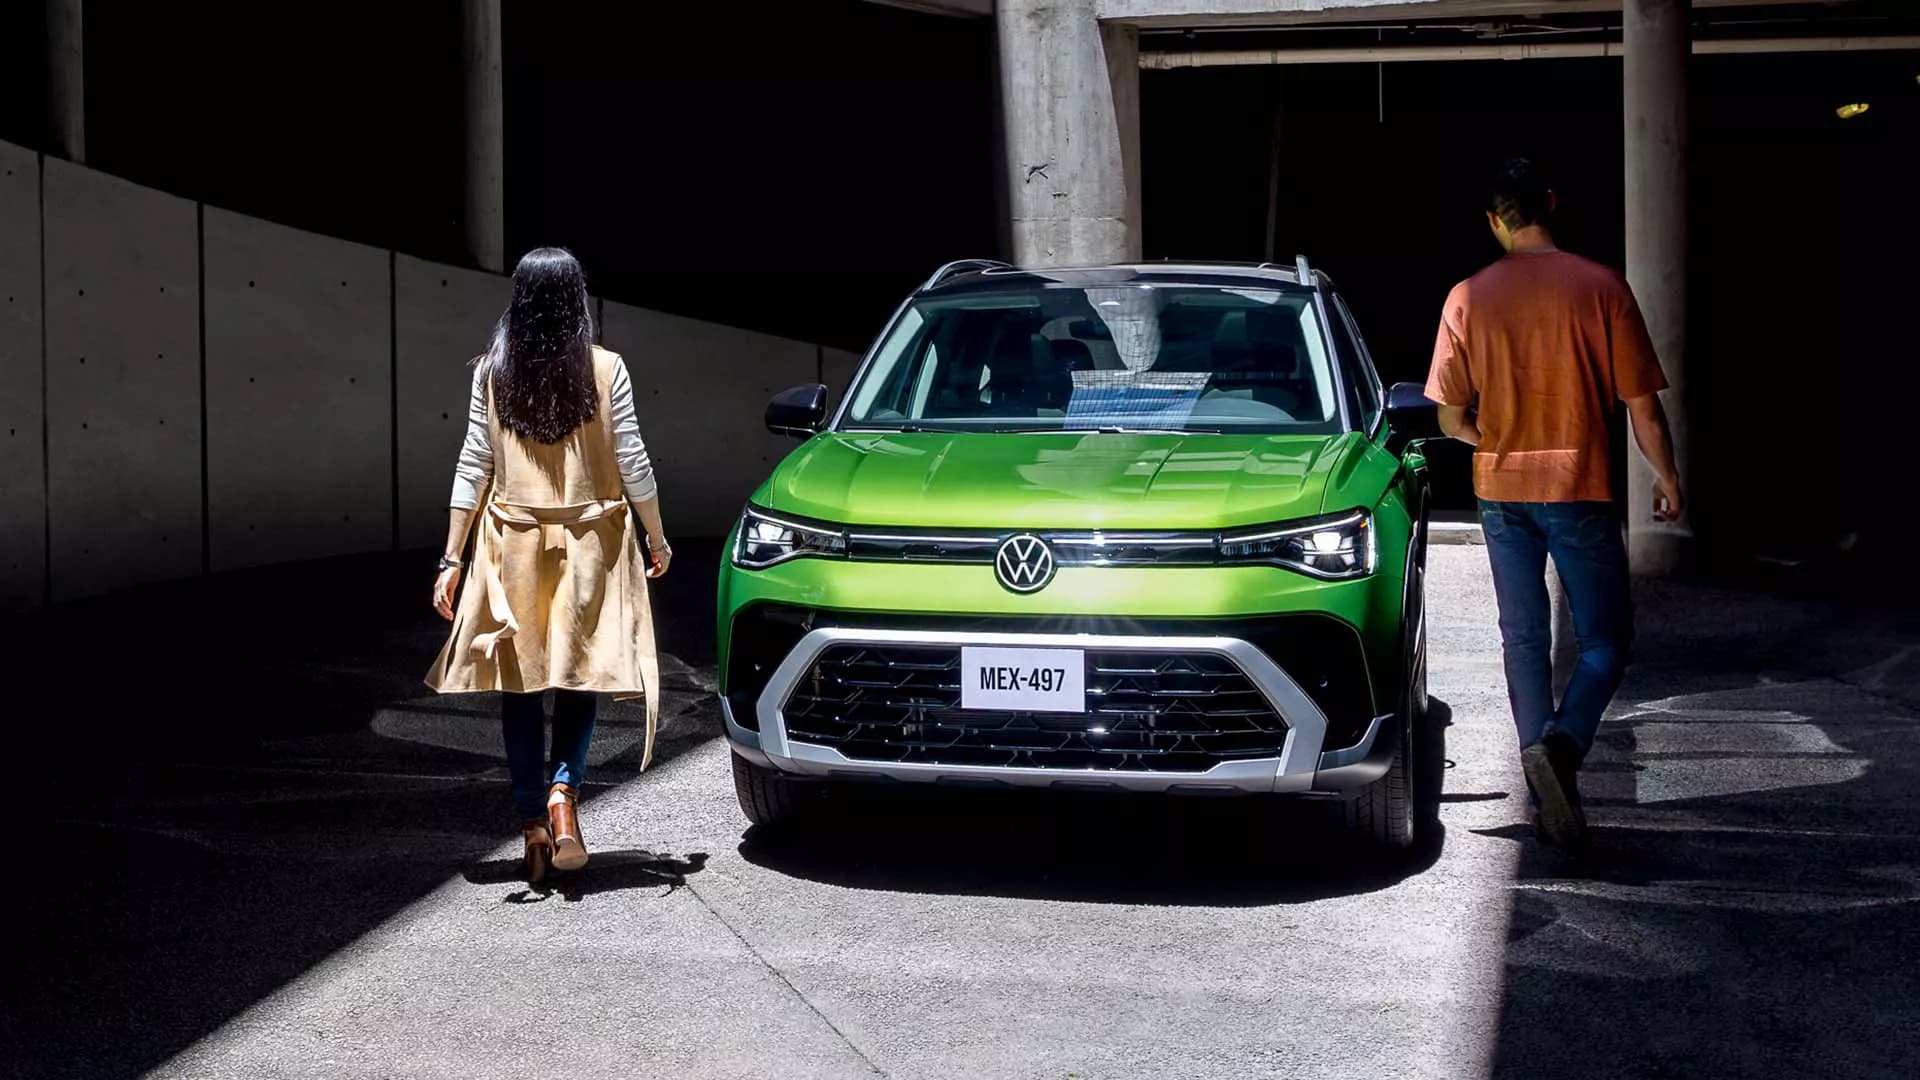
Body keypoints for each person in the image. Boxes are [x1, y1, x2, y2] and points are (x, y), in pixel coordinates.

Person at [1424, 158, 1683, 850]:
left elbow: (1449, 418)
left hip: (1500, 489)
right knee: (1606, 642)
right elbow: (1642, 407)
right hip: (1579, 486)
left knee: (1524, 638)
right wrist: (1666, 477)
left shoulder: (1467, 297)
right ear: (1551, 203)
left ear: (1494, 220)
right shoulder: (1601, 287)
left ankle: (1545, 785)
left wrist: (1494, 440)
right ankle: (1562, 748)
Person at [425, 247, 672, 882]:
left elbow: (473, 464)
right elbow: (633, 460)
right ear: (575, 300)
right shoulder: (607, 368)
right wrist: (657, 537)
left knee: (522, 685)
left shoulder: (492, 372)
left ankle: (533, 825)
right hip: (591, 543)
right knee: (579, 677)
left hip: (514, 547)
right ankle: (565, 794)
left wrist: (451, 557)